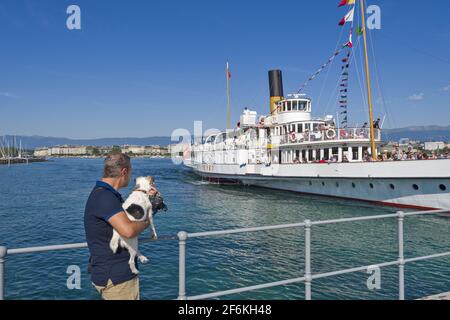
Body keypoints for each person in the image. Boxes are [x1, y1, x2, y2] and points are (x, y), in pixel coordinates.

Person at [84, 153, 157, 300]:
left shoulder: (104, 194)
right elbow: (128, 230)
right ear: (124, 172)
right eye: (130, 171)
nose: (130, 177)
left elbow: (128, 219)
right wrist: (148, 222)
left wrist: (151, 205)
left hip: (109, 272)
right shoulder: (106, 197)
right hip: (117, 278)